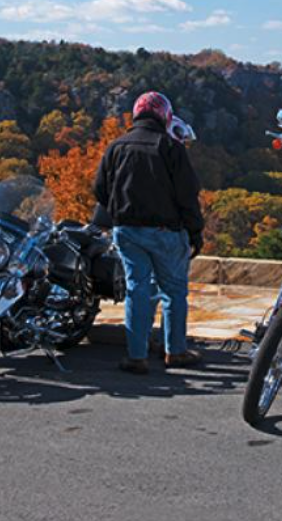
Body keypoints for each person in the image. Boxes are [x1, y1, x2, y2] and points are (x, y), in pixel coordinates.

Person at [93, 92, 204, 374]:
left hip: (127, 232)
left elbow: (100, 190)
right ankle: (175, 351)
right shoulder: (170, 146)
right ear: (164, 115)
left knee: (136, 290)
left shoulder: (116, 146)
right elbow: (188, 195)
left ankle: (136, 356)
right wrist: (195, 231)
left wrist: (118, 212)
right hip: (165, 232)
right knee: (173, 292)